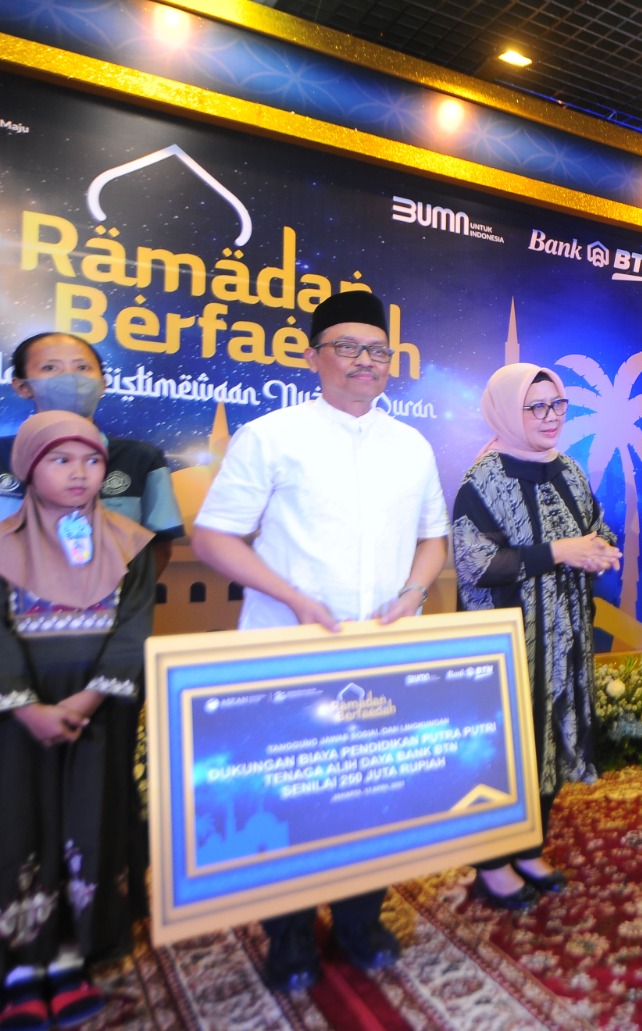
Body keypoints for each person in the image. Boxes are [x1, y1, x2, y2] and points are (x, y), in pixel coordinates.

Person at [192, 291, 448, 991]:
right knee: (290, 797)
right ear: (313, 357)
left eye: (377, 349)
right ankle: (290, 936)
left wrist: (414, 592)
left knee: (373, 793)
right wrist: (295, 598)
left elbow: (434, 537)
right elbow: (212, 537)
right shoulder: (270, 436)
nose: (365, 361)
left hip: (381, 652)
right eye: (347, 347)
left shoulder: (412, 444)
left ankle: (361, 922)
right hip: (289, 648)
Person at [0, 411, 156, 1029]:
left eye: (92, 461)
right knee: (20, 825)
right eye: (61, 460)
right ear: (27, 467)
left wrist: (90, 698)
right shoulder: (2, 543)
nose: (79, 474)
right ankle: (21, 966)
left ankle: (72, 956)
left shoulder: (130, 542)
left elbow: (133, 628)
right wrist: (24, 705)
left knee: (92, 822)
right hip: (18, 720)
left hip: (100, 713)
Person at [452, 362, 620, 909]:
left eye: (557, 405)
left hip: (565, 634)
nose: (551, 417)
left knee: (550, 738)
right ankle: (491, 863)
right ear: (507, 411)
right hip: (506, 642)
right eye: (536, 407)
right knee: (506, 748)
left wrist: (599, 550)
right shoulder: (483, 480)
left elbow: (594, 526)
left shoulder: (567, 469)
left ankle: (527, 848)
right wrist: (561, 552)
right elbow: (476, 563)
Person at [3, 332, 184, 575]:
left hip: (111, 598)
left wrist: (125, 595)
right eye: (50, 367)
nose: (71, 378)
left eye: (82, 367)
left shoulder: (140, 458)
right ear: (23, 387)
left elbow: (160, 547)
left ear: (103, 383)